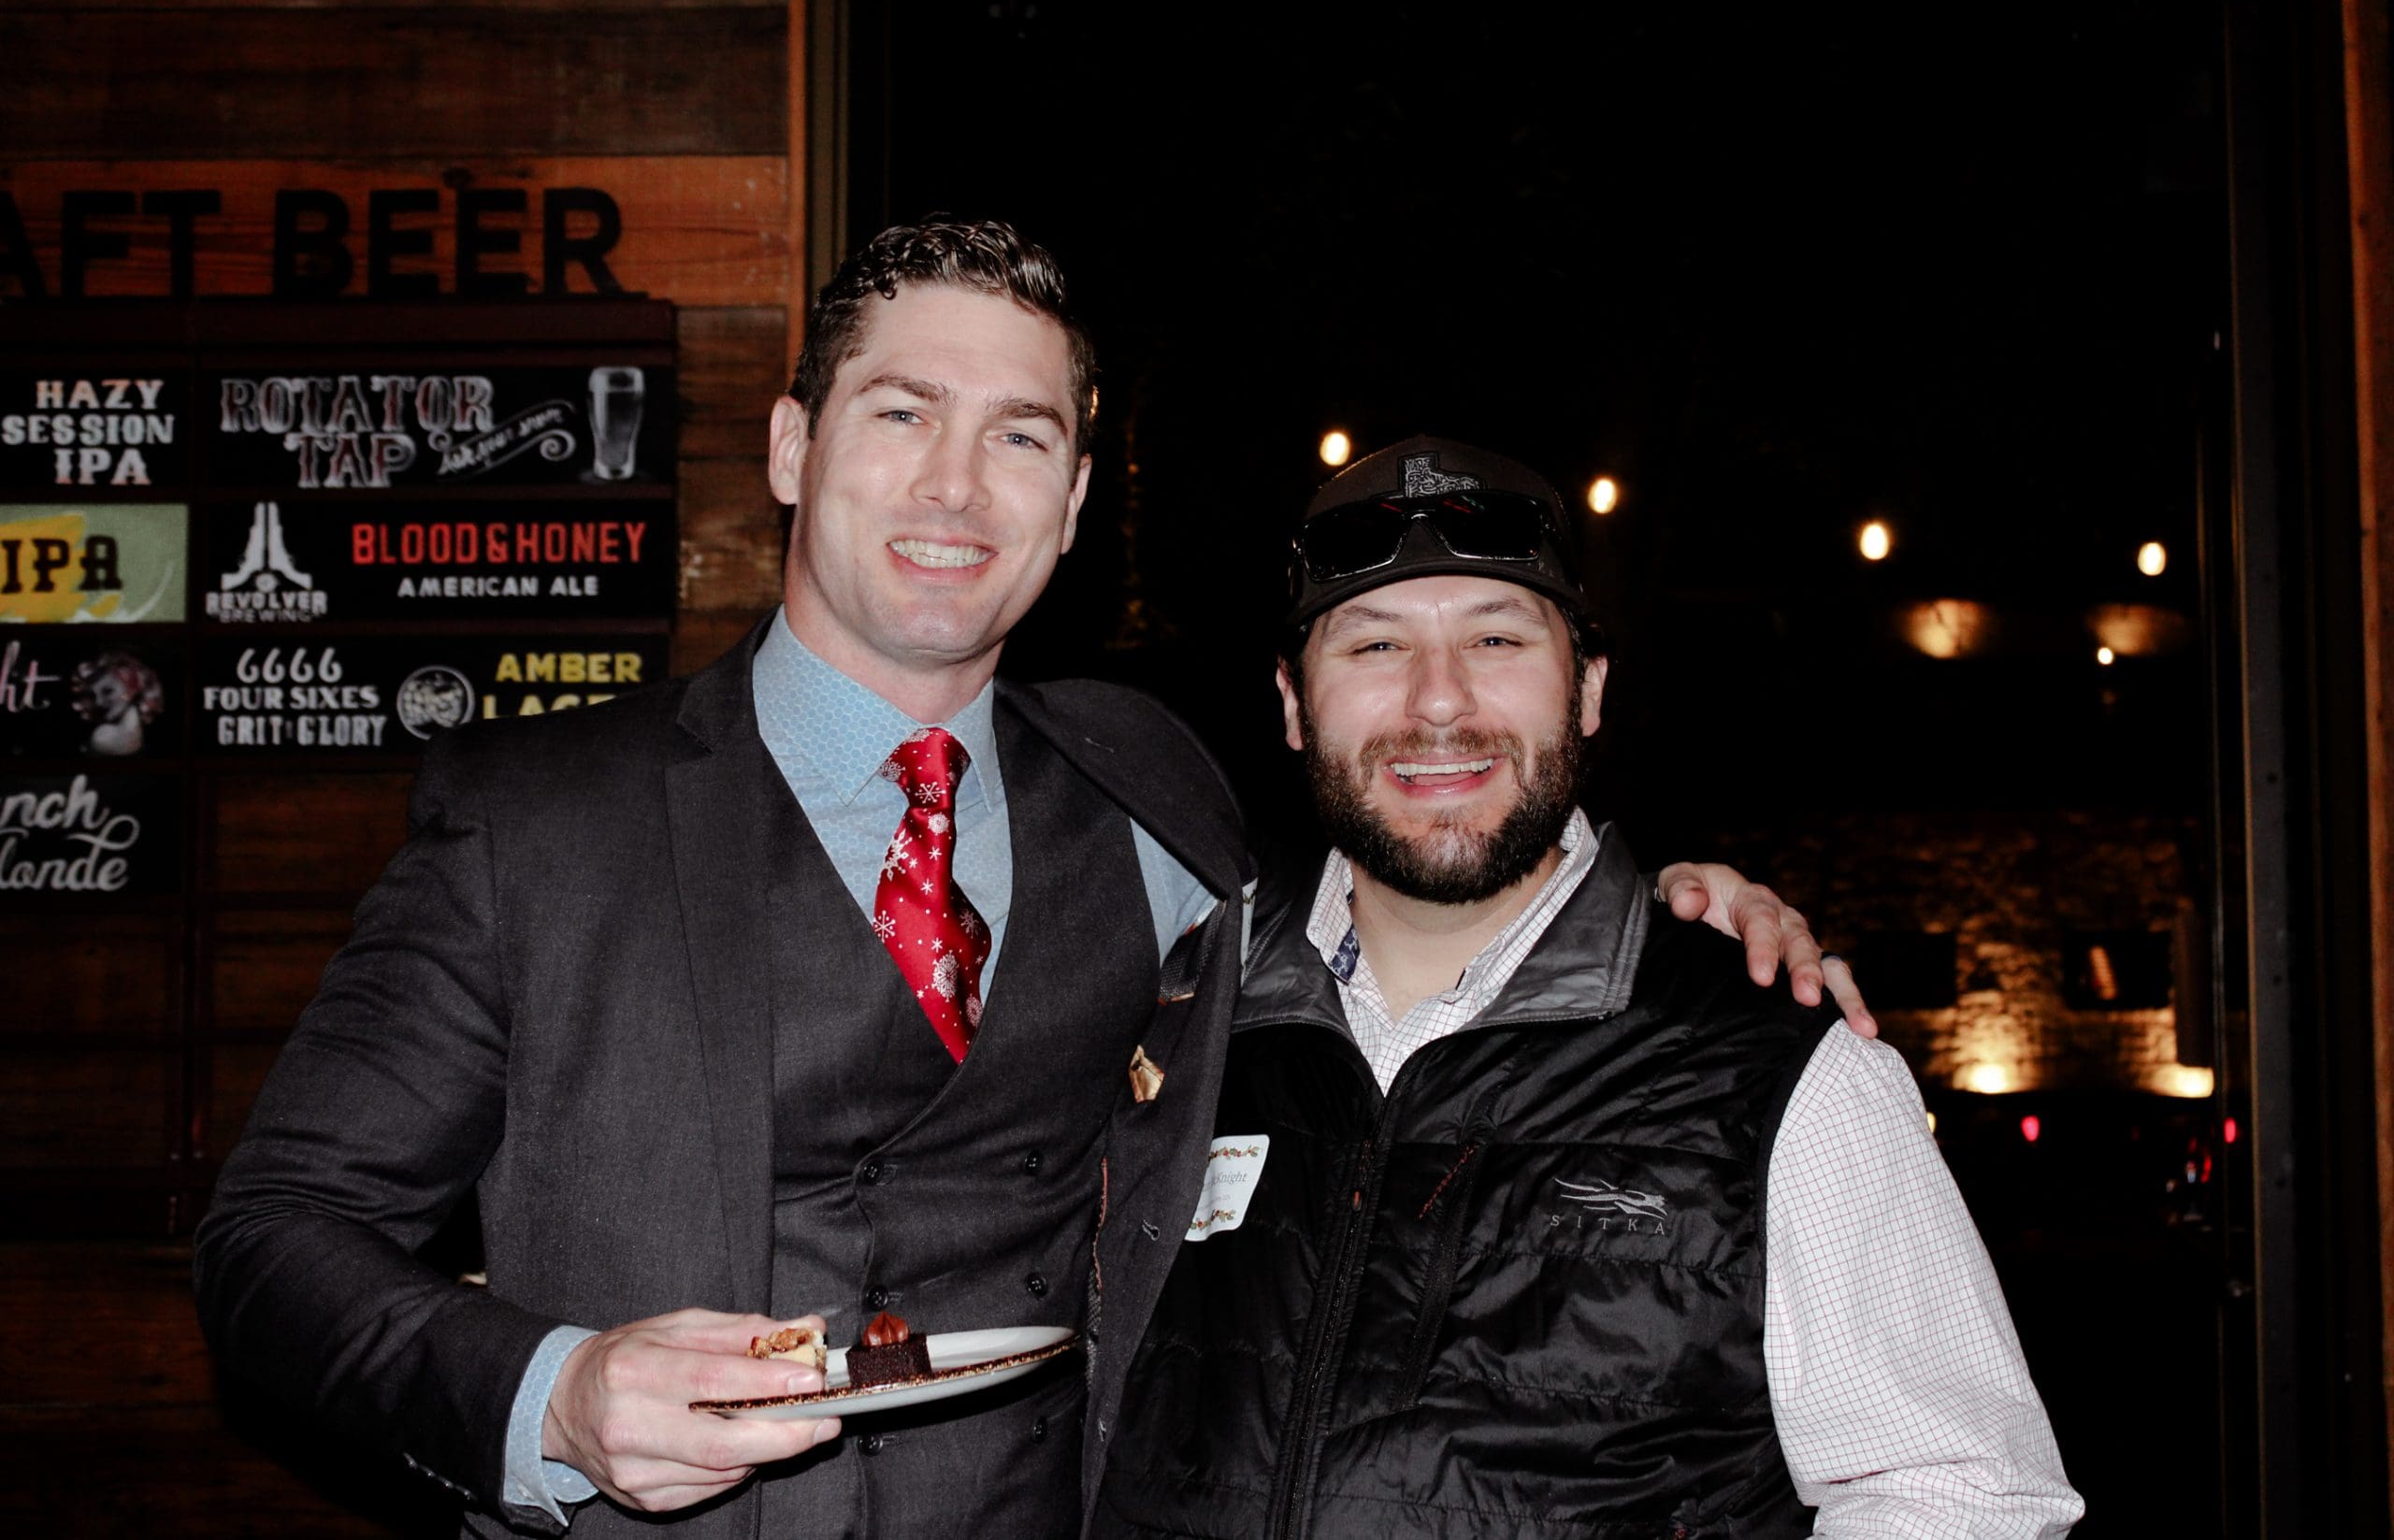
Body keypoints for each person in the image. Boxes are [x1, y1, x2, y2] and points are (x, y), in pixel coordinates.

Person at [194, 223, 1859, 1540]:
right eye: (901, 411)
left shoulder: (1158, 797)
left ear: (1068, 501)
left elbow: (1409, 922)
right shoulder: (533, 821)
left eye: (1018, 435)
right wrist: (554, 1395)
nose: (951, 484)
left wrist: (1666, 916)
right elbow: (275, 1241)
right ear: (792, 444)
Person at [1097, 436, 2084, 1538]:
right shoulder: (1166, 1019)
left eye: (1497, 639)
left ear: (1589, 689)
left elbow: (1959, 1491)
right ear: (1292, 702)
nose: (1437, 703)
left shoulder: (1779, 1067)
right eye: (1374, 643)